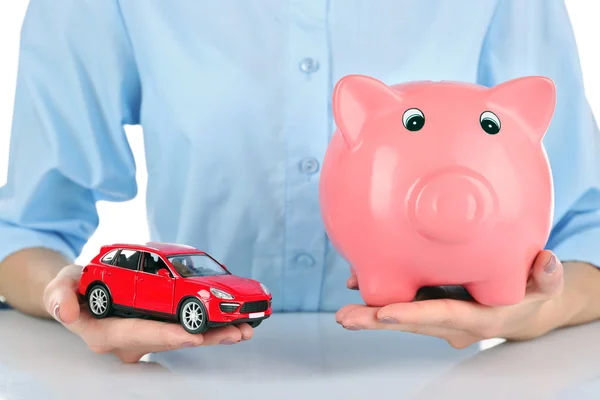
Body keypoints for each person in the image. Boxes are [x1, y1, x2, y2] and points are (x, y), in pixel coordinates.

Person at [1, 0, 599, 363]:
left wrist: (533, 313)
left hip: (437, 379)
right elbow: (21, 227)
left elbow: (589, 228)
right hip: (188, 379)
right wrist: (72, 303)